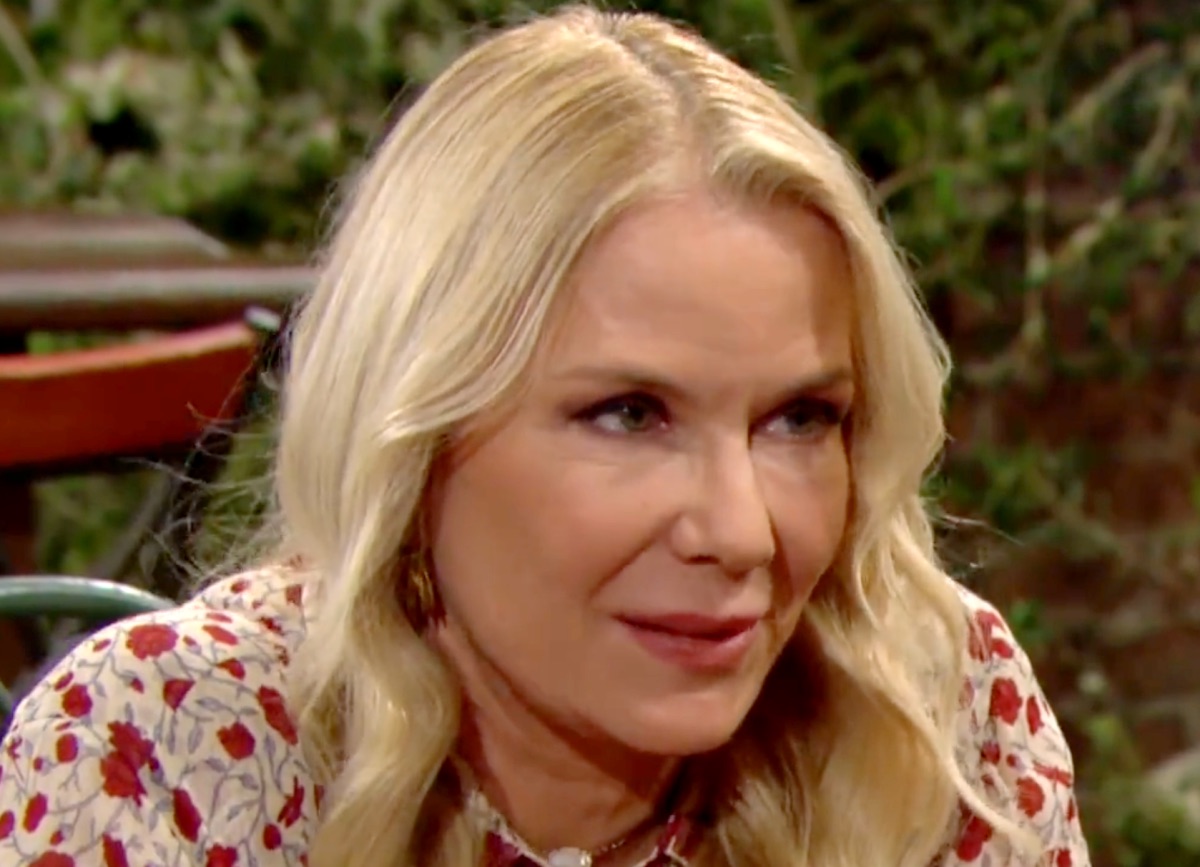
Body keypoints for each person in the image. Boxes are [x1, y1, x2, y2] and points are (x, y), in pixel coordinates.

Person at [0, 6, 1090, 866]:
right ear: (418, 435)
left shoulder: (936, 713)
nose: (741, 532)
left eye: (801, 419)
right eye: (630, 414)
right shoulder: (161, 747)